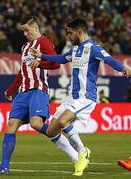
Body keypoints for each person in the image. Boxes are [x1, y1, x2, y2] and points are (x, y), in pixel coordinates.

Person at [30, 17, 131, 176]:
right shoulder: (75, 50)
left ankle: (82, 153)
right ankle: (83, 152)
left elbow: (109, 59)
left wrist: (123, 68)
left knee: (63, 121)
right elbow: (62, 59)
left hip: (86, 98)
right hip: (71, 98)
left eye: (70, 33)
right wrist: (42, 56)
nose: (68, 37)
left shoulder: (94, 48)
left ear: (80, 32)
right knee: (50, 131)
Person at [0, 16, 81, 175]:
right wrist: (11, 90)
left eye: (27, 30)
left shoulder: (44, 43)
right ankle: (4, 167)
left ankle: (74, 155)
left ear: (36, 28)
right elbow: (22, 71)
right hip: (23, 92)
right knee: (11, 126)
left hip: (39, 90)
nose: (25, 33)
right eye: (23, 31)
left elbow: (56, 64)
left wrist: (41, 62)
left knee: (36, 124)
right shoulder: (25, 47)